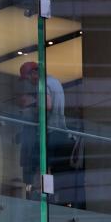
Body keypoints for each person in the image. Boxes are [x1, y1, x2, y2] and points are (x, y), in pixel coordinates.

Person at [17, 61, 69, 193]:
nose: (28, 81)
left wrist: (31, 103)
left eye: (27, 77)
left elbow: (47, 105)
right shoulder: (55, 81)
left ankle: (42, 193)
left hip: (49, 132)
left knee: (41, 165)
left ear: (34, 73)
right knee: (50, 166)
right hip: (60, 131)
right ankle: (48, 193)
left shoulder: (43, 83)